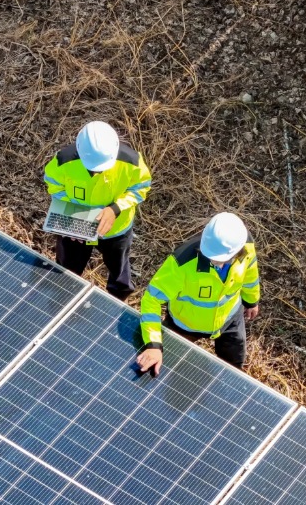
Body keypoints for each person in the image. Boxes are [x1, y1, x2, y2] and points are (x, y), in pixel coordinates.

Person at [135, 212, 260, 374]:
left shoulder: (246, 246)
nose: (214, 262)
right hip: (184, 326)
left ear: (236, 251)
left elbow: (251, 275)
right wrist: (153, 345)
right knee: (171, 369)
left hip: (230, 320)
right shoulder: (182, 263)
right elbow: (151, 299)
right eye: (211, 257)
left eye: (220, 259)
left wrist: (251, 300)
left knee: (233, 369)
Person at [44, 121, 152, 300]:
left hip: (116, 230)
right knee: (67, 269)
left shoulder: (131, 162)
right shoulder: (64, 161)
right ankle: (64, 295)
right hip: (76, 229)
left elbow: (141, 187)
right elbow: (54, 186)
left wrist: (115, 209)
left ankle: (118, 300)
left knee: (119, 272)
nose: (96, 172)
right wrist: (72, 215)